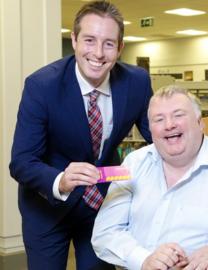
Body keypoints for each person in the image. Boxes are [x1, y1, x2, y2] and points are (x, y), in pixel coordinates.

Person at [9, 1, 152, 269]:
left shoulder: (137, 82)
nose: (98, 53)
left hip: (101, 204)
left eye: (109, 43)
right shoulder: (42, 86)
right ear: (74, 40)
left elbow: (158, 138)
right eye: (89, 40)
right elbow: (21, 161)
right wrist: (61, 180)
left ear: (120, 48)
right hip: (47, 208)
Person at [92, 85, 208, 270]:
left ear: (200, 123)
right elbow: (105, 233)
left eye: (178, 115)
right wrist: (143, 260)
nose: (169, 125)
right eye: (159, 119)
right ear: (150, 129)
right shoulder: (133, 164)